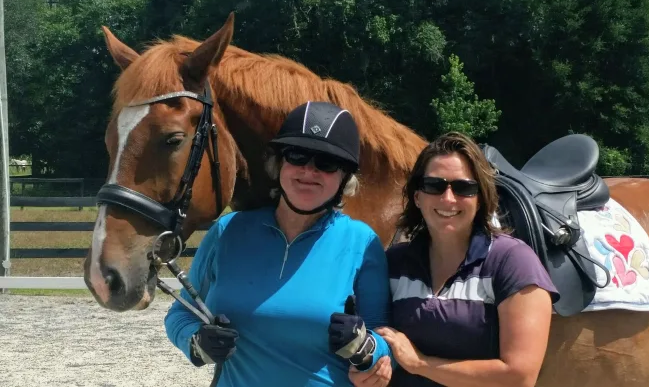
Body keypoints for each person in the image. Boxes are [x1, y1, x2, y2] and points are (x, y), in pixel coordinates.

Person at [164, 101, 394, 387]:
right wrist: (197, 342)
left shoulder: (362, 242)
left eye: (326, 163)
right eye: (297, 156)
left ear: (344, 176)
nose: (309, 171)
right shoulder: (227, 231)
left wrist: (365, 345)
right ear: (279, 163)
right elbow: (180, 314)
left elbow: (385, 342)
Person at [374, 131, 560, 387]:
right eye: (434, 186)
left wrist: (421, 364)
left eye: (464, 188)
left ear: (480, 197)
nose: (448, 198)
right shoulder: (393, 263)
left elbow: (519, 376)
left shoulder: (512, 261)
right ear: (417, 197)